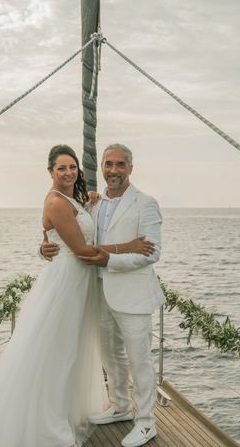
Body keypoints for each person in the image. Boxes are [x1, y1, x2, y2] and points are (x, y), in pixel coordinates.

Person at [0, 145, 153, 447]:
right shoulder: (57, 203)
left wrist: (50, 241)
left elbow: (69, 235)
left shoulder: (81, 200)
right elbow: (83, 250)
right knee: (59, 356)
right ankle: (48, 426)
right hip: (66, 287)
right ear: (50, 172)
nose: (68, 172)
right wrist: (130, 246)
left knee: (68, 355)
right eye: (61, 168)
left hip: (82, 285)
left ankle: (117, 413)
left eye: (72, 167)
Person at [40, 143, 164, 447]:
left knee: (139, 361)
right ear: (101, 168)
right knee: (111, 357)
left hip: (132, 294)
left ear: (130, 168)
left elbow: (151, 253)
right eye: (108, 164)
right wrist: (42, 249)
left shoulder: (145, 203)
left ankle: (146, 422)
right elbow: (68, 238)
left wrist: (112, 259)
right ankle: (121, 407)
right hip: (98, 292)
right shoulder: (92, 203)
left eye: (120, 165)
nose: (113, 170)